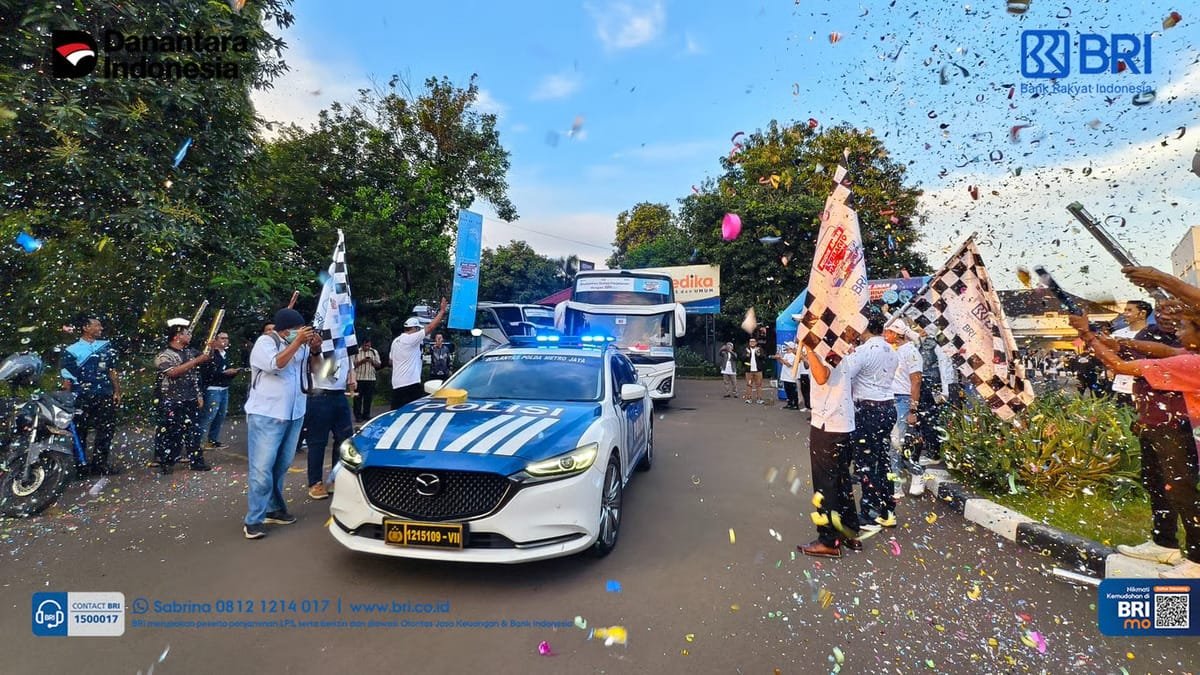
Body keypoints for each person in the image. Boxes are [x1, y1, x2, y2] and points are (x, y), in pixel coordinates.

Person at [1080, 307, 1200, 579]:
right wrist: (1122, 343)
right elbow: (1165, 351)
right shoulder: (1185, 353)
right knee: (1158, 484)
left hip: (1177, 431)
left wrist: (1089, 336)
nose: (1178, 332)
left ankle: (1197, 559)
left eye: (1184, 328)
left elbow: (1120, 367)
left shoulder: (1192, 362)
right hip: (1159, 426)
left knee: (1183, 492)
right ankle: (1164, 543)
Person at [243, 308, 315, 539]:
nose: (300, 332)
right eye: (297, 330)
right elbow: (276, 364)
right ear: (285, 330)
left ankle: (274, 509)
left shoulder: (301, 345)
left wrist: (314, 348)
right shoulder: (265, 342)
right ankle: (254, 520)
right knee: (262, 469)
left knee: (281, 466)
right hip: (267, 414)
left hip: (295, 413)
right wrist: (299, 342)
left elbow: (315, 369)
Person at [798, 339, 863, 558]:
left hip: (829, 425)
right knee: (841, 481)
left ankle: (829, 540)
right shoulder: (840, 345)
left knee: (826, 485)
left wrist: (809, 347)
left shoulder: (828, 347)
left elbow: (821, 375)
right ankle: (849, 530)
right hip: (843, 425)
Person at [842, 313, 900, 531]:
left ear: (864, 328)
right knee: (883, 461)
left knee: (866, 463)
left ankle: (870, 514)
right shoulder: (890, 351)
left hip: (868, 410)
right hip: (888, 408)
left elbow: (843, 376)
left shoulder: (863, 351)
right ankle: (887, 511)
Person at [60, 313, 123, 475]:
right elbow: (67, 377)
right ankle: (81, 466)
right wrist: (66, 399)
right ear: (86, 328)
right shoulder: (71, 350)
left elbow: (112, 370)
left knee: (106, 429)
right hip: (81, 395)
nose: (101, 328)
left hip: (104, 393)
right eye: (97, 325)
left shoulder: (106, 346)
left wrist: (116, 391)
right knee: (80, 430)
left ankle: (100, 464)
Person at [153, 319, 212, 474]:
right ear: (177, 336)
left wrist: (211, 347)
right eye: (187, 333)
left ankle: (196, 461)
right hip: (171, 399)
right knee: (172, 432)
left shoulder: (190, 352)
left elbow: (205, 360)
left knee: (194, 431)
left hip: (190, 398)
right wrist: (196, 361)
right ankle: (167, 461)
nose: (190, 336)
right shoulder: (164, 355)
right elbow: (172, 372)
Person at [305, 347, 356, 500]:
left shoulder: (345, 343)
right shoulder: (320, 340)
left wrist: (352, 378)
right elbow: (314, 366)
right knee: (317, 441)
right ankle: (315, 482)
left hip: (340, 394)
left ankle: (336, 478)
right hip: (320, 393)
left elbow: (350, 364)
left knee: (344, 439)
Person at [883, 320, 922, 499]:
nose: (885, 335)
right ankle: (894, 484)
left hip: (903, 401)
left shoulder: (911, 352)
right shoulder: (891, 349)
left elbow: (916, 381)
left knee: (896, 444)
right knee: (891, 444)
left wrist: (913, 410)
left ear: (897, 334)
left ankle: (906, 480)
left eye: (888, 332)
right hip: (888, 400)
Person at [390, 297, 448, 409]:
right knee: (413, 412)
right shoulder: (411, 338)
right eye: (418, 329)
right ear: (414, 328)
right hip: (410, 383)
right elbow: (430, 327)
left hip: (396, 384)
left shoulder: (395, 341)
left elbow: (391, 361)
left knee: (396, 413)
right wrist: (441, 311)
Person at [199, 332, 242, 450]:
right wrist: (223, 373)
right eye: (222, 338)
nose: (225, 340)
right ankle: (196, 442)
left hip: (224, 388)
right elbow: (207, 373)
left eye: (227, 338)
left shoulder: (225, 354)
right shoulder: (211, 354)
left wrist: (233, 373)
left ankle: (212, 440)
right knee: (208, 416)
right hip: (213, 388)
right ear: (216, 340)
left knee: (220, 416)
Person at [1109, 301, 1153, 405]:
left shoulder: (1153, 334)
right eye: (1125, 310)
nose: (1125, 313)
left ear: (1142, 313)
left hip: (1147, 383)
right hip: (1122, 384)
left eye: (1129, 310)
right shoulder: (1116, 334)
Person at [353, 339, 382, 422]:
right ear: (362, 345)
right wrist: (362, 361)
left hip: (370, 378)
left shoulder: (374, 352)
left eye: (369, 346)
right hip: (359, 378)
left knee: (368, 398)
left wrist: (372, 361)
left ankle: (366, 414)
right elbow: (353, 365)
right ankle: (358, 416)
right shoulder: (357, 352)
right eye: (366, 345)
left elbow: (379, 364)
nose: (367, 347)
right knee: (357, 398)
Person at [772, 342, 800, 410]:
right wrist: (778, 358)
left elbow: (789, 364)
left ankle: (795, 404)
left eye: (787, 345)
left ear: (790, 347)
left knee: (793, 391)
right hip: (785, 376)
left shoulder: (793, 356)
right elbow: (783, 363)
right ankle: (789, 403)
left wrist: (780, 358)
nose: (785, 346)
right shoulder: (786, 354)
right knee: (788, 391)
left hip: (791, 377)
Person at [743, 337, 766, 404]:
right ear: (749, 343)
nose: (752, 343)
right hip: (749, 371)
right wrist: (747, 354)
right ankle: (749, 398)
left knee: (759, 385)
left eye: (753, 341)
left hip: (758, 371)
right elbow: (742, 358)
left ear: (756, 343)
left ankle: (759, 399)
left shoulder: (759, 349)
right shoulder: (746, 349)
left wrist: (758, 354)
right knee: (749, 384)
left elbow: (764, 357)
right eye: (751, 341)